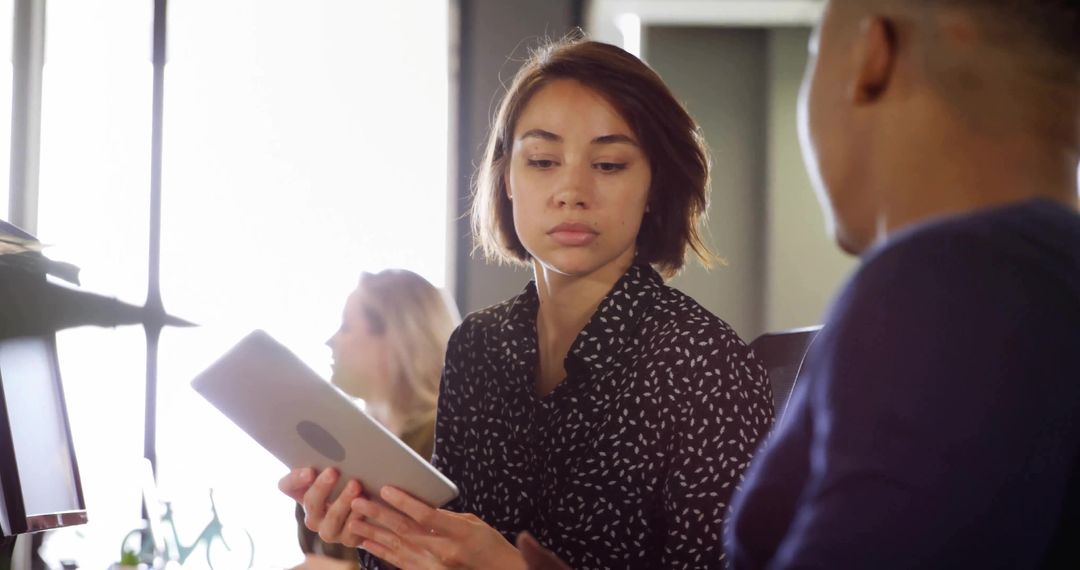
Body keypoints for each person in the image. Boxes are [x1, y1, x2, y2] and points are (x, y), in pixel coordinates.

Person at [520, 0, 1080, 568]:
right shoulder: (1042, 278)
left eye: (815, 51)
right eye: (540, 160)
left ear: (871, 58)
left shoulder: (939, 286)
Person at [280, 38, 775, 569]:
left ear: (654, 185)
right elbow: (436, 555)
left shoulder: (702, 361)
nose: (571, 190)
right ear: (507, 178)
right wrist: (371, 533)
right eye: (542, 160)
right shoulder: (477, 347)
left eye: (609, 164)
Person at [292, 269, 460, 567]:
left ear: (397, 334)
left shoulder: (451, 440)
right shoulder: (343, 441)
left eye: (346, 327)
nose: (331, 341)